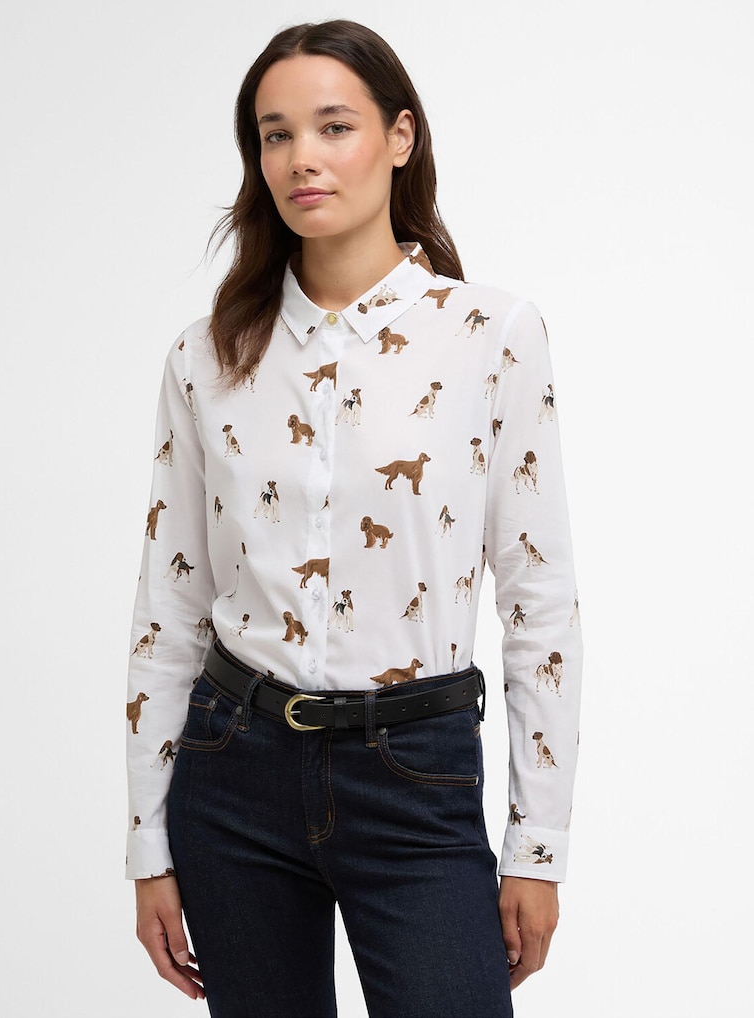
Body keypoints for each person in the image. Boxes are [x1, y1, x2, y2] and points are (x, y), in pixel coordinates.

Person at [125, 19, 582, 1018]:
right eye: (275, 134)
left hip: (415, 772)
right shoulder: (204, 357)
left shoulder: (490, 335)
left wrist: (536, 845)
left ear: (400, 137)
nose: (302, 158)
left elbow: (538, 598)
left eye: (334, 126)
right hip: (231, 772)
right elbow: (171, 604)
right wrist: (148, 843)